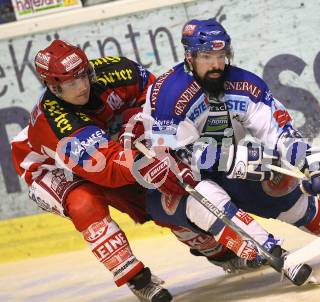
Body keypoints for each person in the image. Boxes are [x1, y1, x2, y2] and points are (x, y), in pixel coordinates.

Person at [138, 18, 320, 281]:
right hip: (171, 184)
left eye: (221, 55)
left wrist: (310, 160)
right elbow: (178, 156)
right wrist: (236, 158)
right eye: (206, 56)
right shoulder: (169, 93)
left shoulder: (245, 85)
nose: (216, 64)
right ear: (189, 57)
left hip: (220, 168)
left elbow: (278, 132)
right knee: (207, 197)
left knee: (279, 185)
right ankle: (275, 254)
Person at [10, 39, 204, 302]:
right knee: (85, 203)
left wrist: (147, 129)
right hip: (48, 166)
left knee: (153, 199)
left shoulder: (117, 70)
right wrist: (146, 158)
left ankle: (216, 250)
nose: (81, 87)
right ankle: (137, 279)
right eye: (69, 83)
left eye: (83, 75)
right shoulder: (55, 123)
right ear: (53, 87)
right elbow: (107, 168)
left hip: (102, 152)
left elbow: (158, 98)